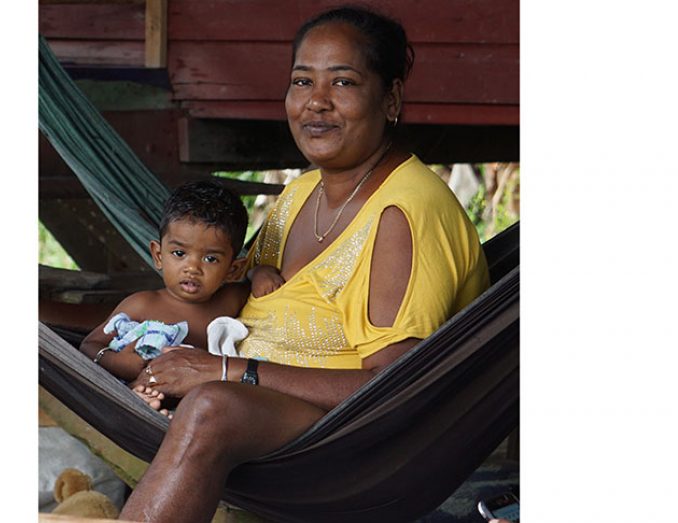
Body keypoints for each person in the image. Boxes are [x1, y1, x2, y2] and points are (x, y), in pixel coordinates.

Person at [119, 6, 490, 522]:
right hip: (252, 404)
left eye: (343, 82)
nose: (316, 102)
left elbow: (394, 388)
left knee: (210, 409)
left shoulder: (404, 214)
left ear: (391, 98)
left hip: (341, 442)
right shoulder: (299, 195)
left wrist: (226, 372)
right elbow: (218, 294)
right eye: (301, 80)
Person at [78, 181, 251, 403]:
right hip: (138, 397)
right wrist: (119, 363)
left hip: (200, 406)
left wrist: (262, 273)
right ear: (159, 256)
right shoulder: (141, 304)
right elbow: (89, 345)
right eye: (179, 253)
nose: (192, 268)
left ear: (233, 269)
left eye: (210, 259)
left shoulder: (230, 299)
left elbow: (254, 282)